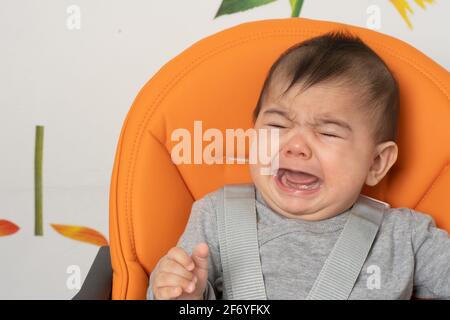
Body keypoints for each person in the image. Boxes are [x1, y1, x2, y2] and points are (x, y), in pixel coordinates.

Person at [147, 31, 450, 300]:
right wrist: (181, 295)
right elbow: (169, 292)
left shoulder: (405, 237)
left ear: (376, 162)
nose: (295, 146)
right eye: (278, 125)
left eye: (328, 132)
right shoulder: (216, 217)